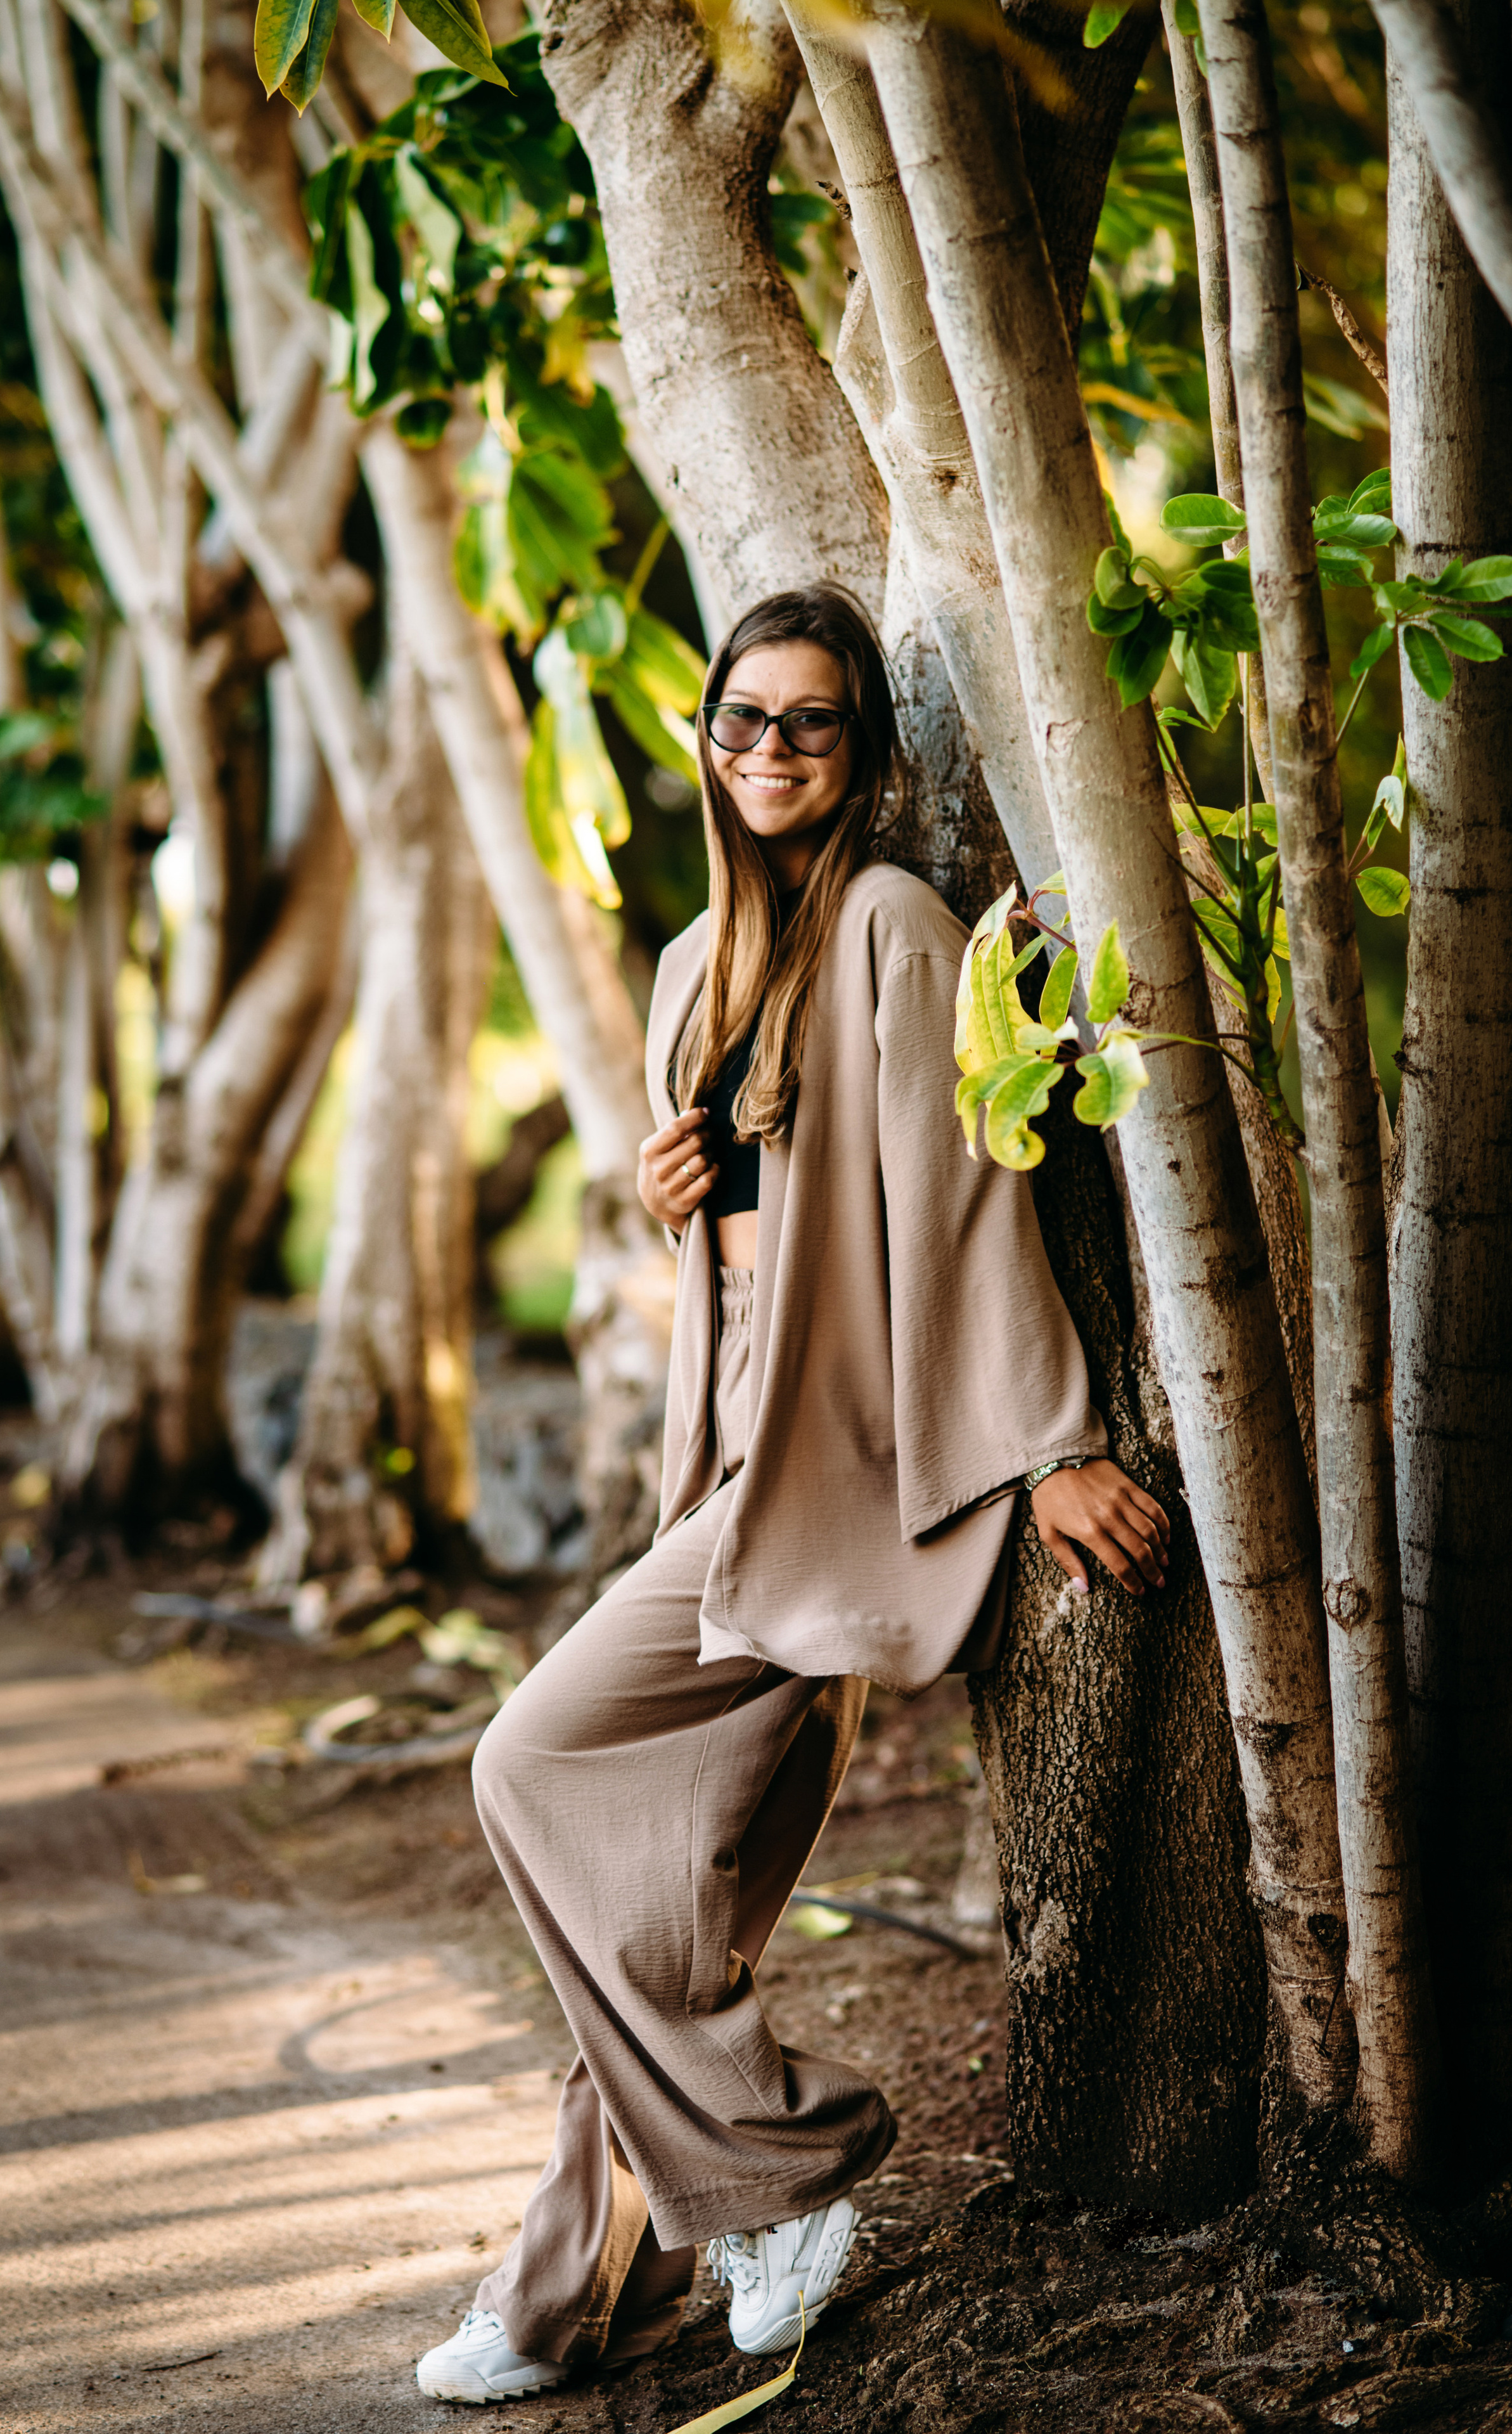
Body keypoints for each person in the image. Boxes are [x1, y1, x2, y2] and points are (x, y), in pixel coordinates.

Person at [415, 586, 1170, 2405]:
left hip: (835, 1485)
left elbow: (963, 1198)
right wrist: (687, 1202)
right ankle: (574, 2299)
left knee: (525, 1764)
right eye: (740, 721)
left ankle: (797, 2155)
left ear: (866, 751)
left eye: (810, 723)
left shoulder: (900, 929)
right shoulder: (691, 968)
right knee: (658, 1926)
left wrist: (1044, 1442)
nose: (767, 752)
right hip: (729, 1472)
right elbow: (750, 1237)